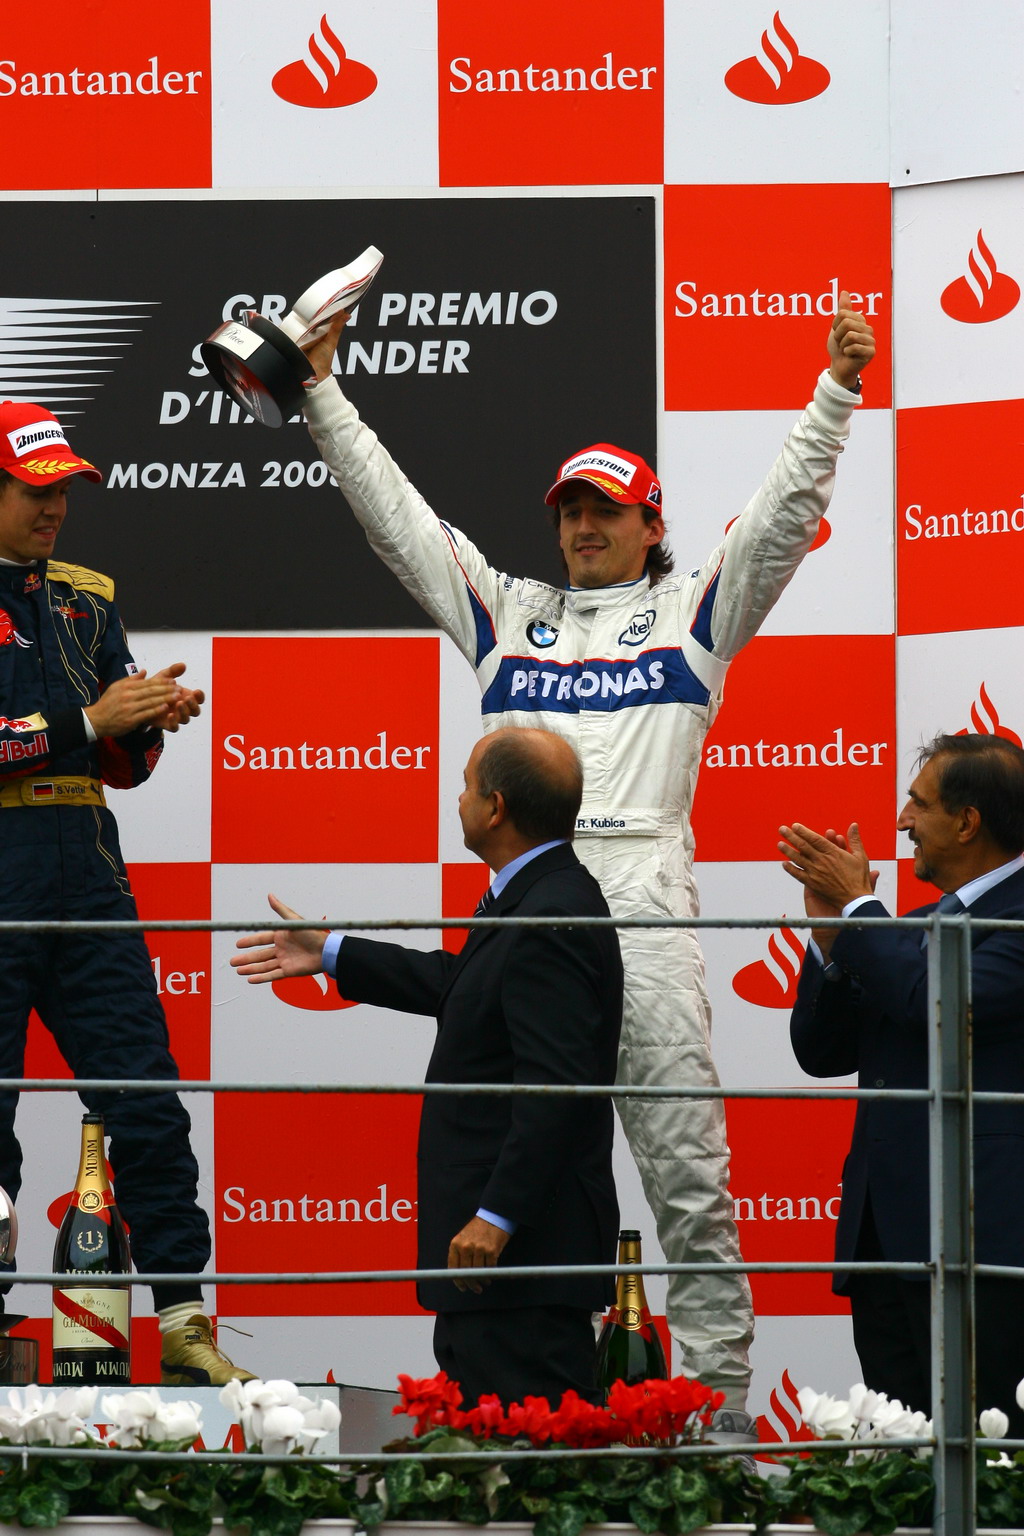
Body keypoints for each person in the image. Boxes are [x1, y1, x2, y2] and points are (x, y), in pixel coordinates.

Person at [296, 289, 876, 1419]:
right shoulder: (508, 614)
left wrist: (836, 391)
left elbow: (774, 516)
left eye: (605, 510)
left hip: (645, 899)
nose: (581, 527)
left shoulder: (696, 615)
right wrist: (318, 390)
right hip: (528, 905)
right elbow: (397, 520)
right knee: (510, 1160)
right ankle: (501, 1401)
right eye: (568, 510)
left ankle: (710, 1418)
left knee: (688, 1178)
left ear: (651, 523)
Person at [233, 726, 623, 1407]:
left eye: (467, 785)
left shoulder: (550, 910)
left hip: (517, 1265)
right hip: (501, 1271)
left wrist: (494, 1218)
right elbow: (463, 987)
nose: (458, 798)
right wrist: (331, 952)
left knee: (525, 1483)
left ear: (495, 807)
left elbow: (554, 1088)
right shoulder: (536, 894)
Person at [0, 400, 252, 1387]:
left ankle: (186, 1322)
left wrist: (144, 723)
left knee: (145, 1102)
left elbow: (124, 765)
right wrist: (86, 718)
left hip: (89, 878)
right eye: (34, 489)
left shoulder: (86, 597)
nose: (55, 506)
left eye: (64, 488)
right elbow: (64, 723)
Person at [782, 733, 1024, 1432]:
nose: (901, 821)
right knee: (905, 1453)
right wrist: (831, 940)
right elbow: (821, 1052)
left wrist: (861, 912)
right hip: (884, 1241)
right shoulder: (908, 928)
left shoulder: (1015, 920)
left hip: (985, 1244)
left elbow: (938, 1005)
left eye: (917, 805)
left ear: (968, 821)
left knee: (988, 1449)